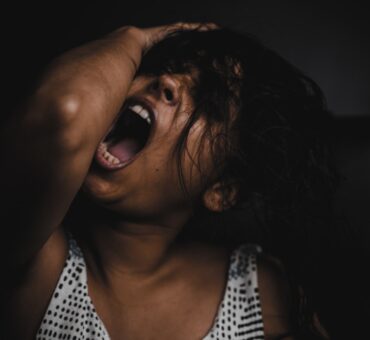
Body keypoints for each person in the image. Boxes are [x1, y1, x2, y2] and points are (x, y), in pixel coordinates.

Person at [1, 22, 337, 339]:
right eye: (167, 63)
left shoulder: (260, 292)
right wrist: (135, 39)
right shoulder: (33, 262)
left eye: (210, 100)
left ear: (222, 191)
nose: (167, 80)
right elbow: (64, 116)